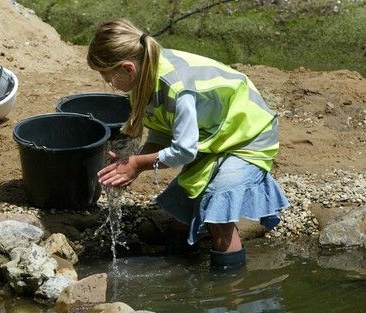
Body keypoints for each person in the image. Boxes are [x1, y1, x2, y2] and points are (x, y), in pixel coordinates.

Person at [87, 18, 289, 270]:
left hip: (248, 134)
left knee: (219, 215)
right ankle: (178, 263)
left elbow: (184, 150)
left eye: (107, 77)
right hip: (213, 134)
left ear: (128, 69)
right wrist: (132, 164)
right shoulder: (144, 77)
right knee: (181, 215)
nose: (109, 84)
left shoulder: (177, 89)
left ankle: (230, 290)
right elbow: (162, 134)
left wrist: (137, 163)